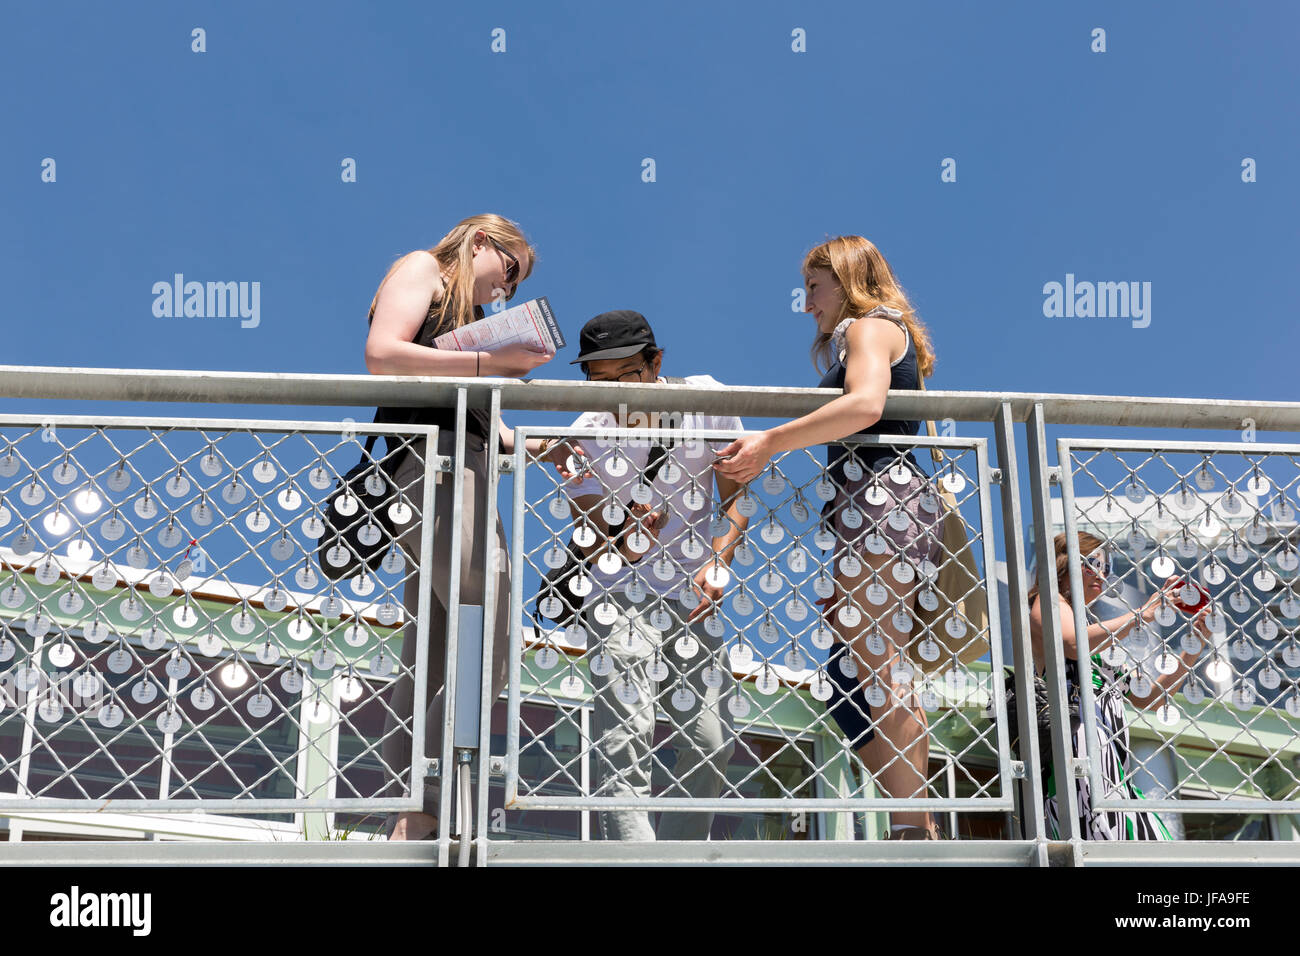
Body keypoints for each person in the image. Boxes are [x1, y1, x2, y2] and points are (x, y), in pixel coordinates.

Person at [714, 235, 945, 840]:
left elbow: (865, 404)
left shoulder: (868, 328)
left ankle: (911, 831)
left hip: (881, 505)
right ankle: (915, 821)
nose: (807, 302)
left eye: (815, 287)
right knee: (854, 677)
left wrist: (768, 442)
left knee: (877, 667)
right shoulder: (877, 331)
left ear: (846, 281)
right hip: (870, 511)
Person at [363, 213, 570, 841]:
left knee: (436, 644)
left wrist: (541, 445)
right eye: (508, 271)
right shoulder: (423, 268)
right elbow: (381, 355)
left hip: (460, 460)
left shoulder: (465, 330)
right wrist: (491, 359)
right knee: (490, 626)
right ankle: (429, 805)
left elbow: (491, 428)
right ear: (481, 240)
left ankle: (413, 813)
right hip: (435, 464)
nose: (503, 289)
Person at [550, 310, 750, 841]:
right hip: (618, 595)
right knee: (627, 735)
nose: (616, 393)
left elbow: (736, 504)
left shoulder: (708, 400)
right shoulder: (586, 426)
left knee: (711, 741)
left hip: (693, 598)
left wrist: (717, 563)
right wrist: (622, 529)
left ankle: (680, 853)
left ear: (655, 362)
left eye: (627, 377)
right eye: (600, 382)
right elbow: (587, 521)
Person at [1028, 532, 1203, 841]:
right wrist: (1142, 615)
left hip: (1111, 769)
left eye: (1107, 567)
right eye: (1092, 563)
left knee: (1155, 846)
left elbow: (1149, 697)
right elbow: (1069, 643)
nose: (1101, 574)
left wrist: (1194, 648)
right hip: (1078, 761)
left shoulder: (1094, 631)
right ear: (1064, 564)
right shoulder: (1047, 600)